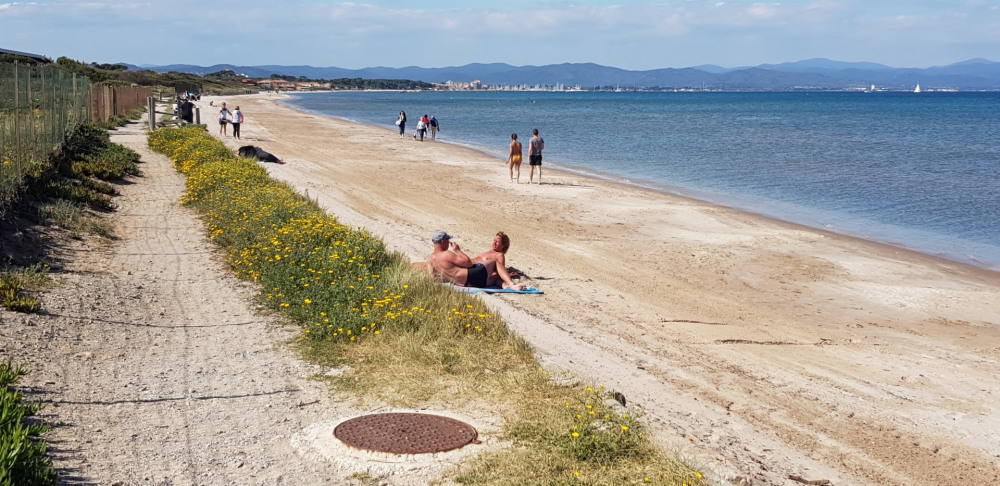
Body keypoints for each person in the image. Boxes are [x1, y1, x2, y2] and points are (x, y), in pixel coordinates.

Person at [426, 231, 517, 289]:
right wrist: (457, 250)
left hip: (466, 281)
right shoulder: (446, 254)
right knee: (494, 269)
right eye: (447, 240)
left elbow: (432, 277)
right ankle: (510, 285)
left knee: (495, 277)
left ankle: (507, 285)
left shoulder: (431, 259)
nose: (494, 243)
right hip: (472, 274)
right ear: (443, 242)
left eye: (497, 242)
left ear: (503, 245)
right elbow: (468, 263)